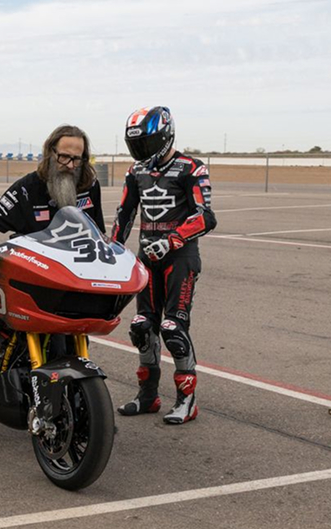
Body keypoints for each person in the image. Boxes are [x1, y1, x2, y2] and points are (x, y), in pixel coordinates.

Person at [111, 106, 216, 424]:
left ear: (165, 135)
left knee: (173, 328)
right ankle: (148, 397)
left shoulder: (191, 168)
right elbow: (125, 212)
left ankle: (187, 401)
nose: (141, 151)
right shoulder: (136, 171)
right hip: (147, 258)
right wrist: (113, 248)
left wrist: (172, 240)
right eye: (137, 144)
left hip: (179, 258)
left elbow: (206, 217)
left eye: (146, 142)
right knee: (142, 326)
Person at [0, 124, 104, 250]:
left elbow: (100, 234)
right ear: (50, 153)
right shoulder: (26, 188)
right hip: (38, 267)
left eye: (76, 159)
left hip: (79, 265)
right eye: (64, 157)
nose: (70, 165)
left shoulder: (90, 185)